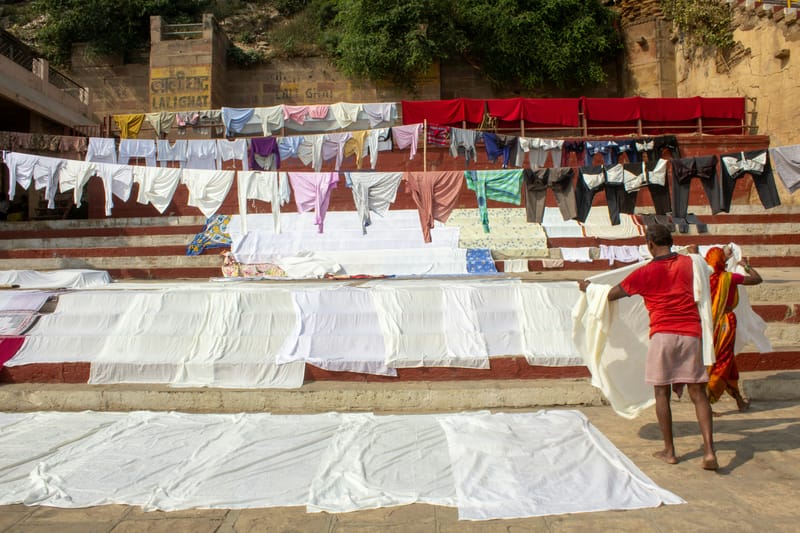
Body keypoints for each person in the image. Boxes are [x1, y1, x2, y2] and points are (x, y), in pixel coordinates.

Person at [578, 224, 718, 470]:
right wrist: (695, 254)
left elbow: (610, 295)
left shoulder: (645, 272)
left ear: (650, 245)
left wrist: (589, 288)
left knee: (661, 393)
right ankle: (709, 452)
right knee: (699, 394)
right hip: (690, 333)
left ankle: (670, 450)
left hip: (663, 335)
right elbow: (709, 268)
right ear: (671, 242)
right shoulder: (690, 263)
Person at [704, 246, 762, 413]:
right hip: (725, 324)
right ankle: (707, 401)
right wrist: (746, 266)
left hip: (708, 324)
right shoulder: (729, 278)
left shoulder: (703, 278)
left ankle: (738, 401)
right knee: (723, 362)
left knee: (722, 361)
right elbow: (757, 279)